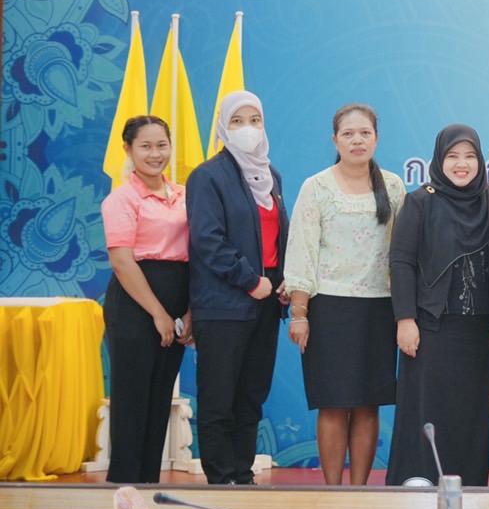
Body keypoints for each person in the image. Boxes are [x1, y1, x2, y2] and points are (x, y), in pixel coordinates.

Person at [283, 104, 405, 486]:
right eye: (348, 134)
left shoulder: (394, 187)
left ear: (376, 139)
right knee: (333, 404)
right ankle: (333, 491)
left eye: (365, 133)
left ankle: (359, 492)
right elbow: (302, 250)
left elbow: (403, 252)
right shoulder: (316, 187)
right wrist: (299, 313)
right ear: (334, 140)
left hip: (379, 309)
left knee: (368, 405)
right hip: (329, 309)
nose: (357, 140)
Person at [387, 125, 489, 486]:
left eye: (469, 156)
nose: (461, 164)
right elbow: (401, 262)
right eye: (452, 156)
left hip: (479, 334)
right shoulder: (420, 202)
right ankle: (417, 488)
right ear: (439, 160)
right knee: (426, 413)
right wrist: (405, 319)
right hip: (431, 329)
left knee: (471, 416)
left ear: (480, 160)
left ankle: (468, 491)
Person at [186, 90, 289, 485]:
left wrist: (282, 282)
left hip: (266, 301)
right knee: (219, 397)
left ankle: (242, 476)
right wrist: (250, 280)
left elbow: (277, 237)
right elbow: (208, 240)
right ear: (223, 127)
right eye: (238, 121)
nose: (248, 129)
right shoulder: (207, 176)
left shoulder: (270, 176)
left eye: (255, 121)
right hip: (224, 303)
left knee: (251, 395)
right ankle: (220, 479)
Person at [101, 115, 193, 483]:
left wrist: (189, 311)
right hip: (135, 302)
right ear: (128, 149)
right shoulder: (121, 199)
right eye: (145, 146)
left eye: (161, 145)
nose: (155, 154)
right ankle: (124, 486)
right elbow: (122, 261)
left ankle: (148, 483)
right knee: (132, 395)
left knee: (159, 396)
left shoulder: (186, 195)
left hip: (178, 295)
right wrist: (157, 313)